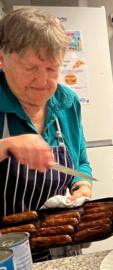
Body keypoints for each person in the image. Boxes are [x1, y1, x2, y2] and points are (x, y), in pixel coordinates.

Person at [0, 8, 93, 259]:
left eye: (52, 69)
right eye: (31, 68)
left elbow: (80, 161)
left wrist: (81, 185)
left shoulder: (67, 102)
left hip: (58, 247)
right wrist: (5, 145)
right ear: (2, 59)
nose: (43, 80)